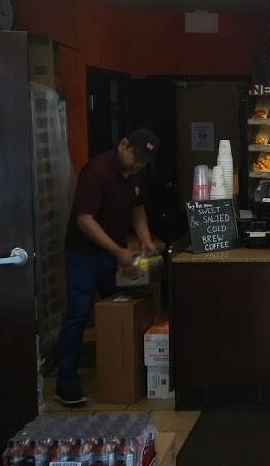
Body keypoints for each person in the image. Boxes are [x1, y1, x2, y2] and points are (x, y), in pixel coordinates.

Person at [55, 129, 159, 406]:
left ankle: (119, 374)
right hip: (83, 253)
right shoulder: (96, 172)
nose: (139, 165)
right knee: (79, 313)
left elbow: (138, 208)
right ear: (123, 145)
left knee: (118, 309)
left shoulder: (136, 173)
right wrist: (117, 251)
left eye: (144, 162)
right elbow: (84, 219)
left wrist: (146, 239)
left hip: (112, 253)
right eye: (136, 158)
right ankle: (66, 382)